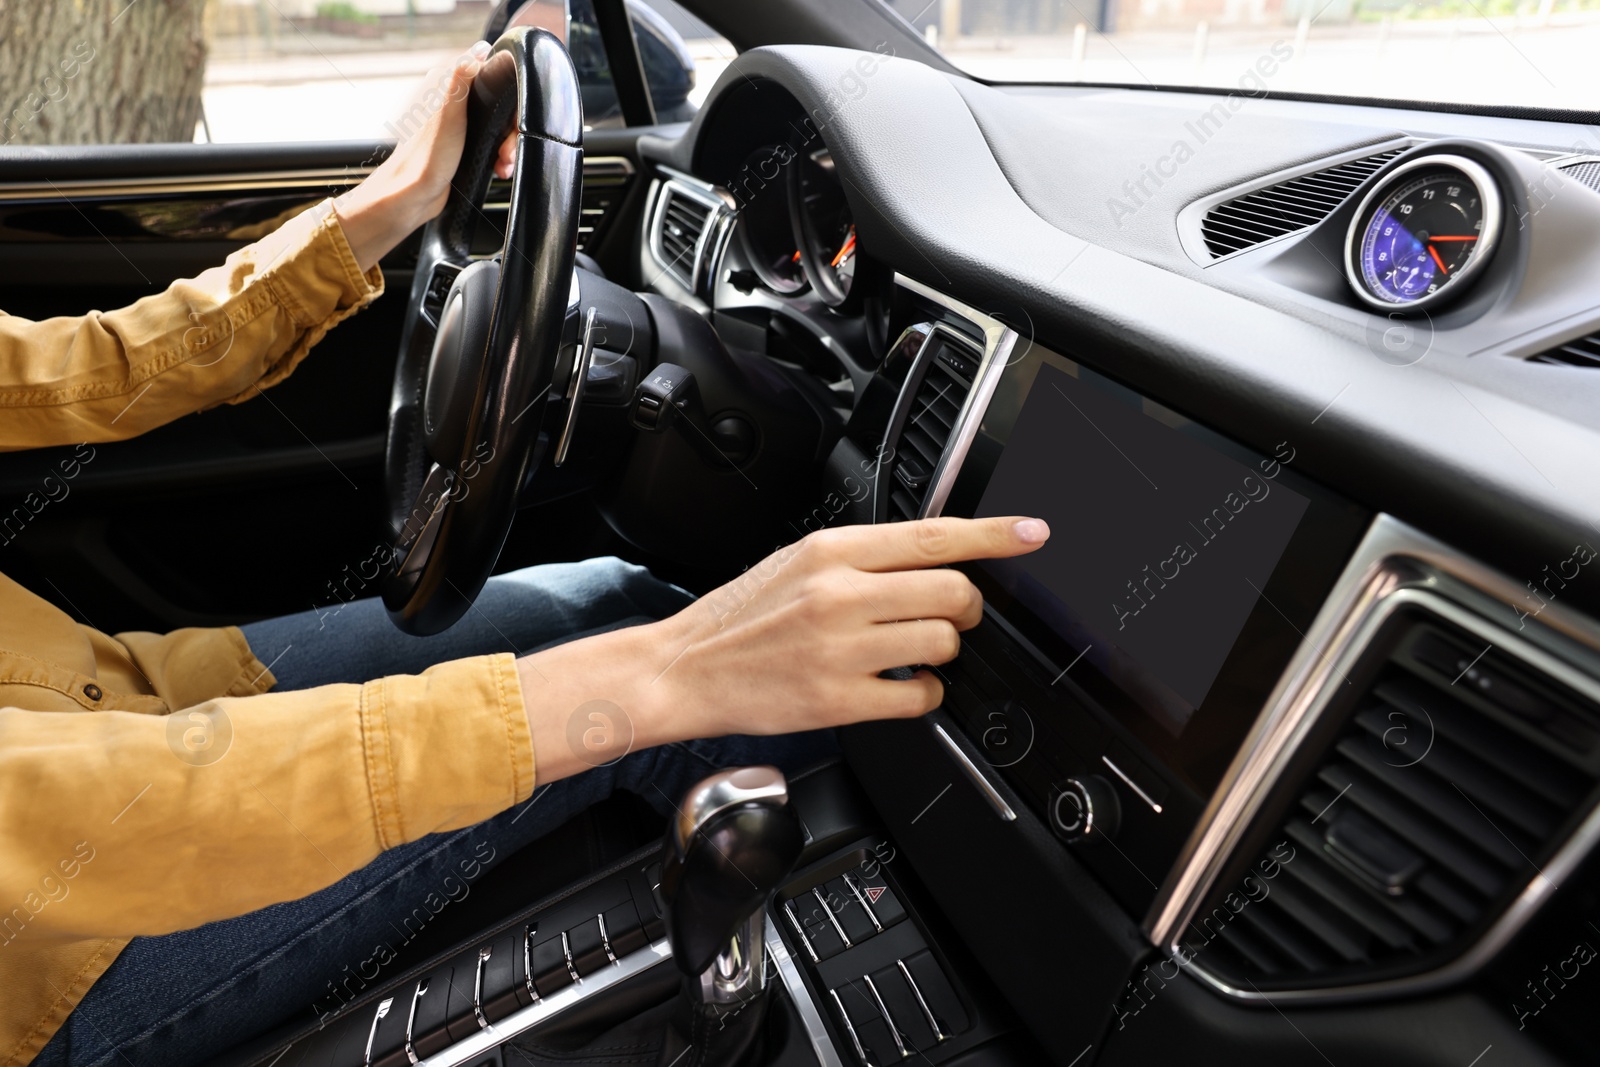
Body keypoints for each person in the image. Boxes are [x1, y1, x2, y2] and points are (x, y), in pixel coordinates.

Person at [0, 47, 1050, 1067]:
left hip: (110, 698)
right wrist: (661, 676)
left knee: (608, 602)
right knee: (643, 691)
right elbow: (81, 815)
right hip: (49, 950)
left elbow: (79, 370)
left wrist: (393, 203)